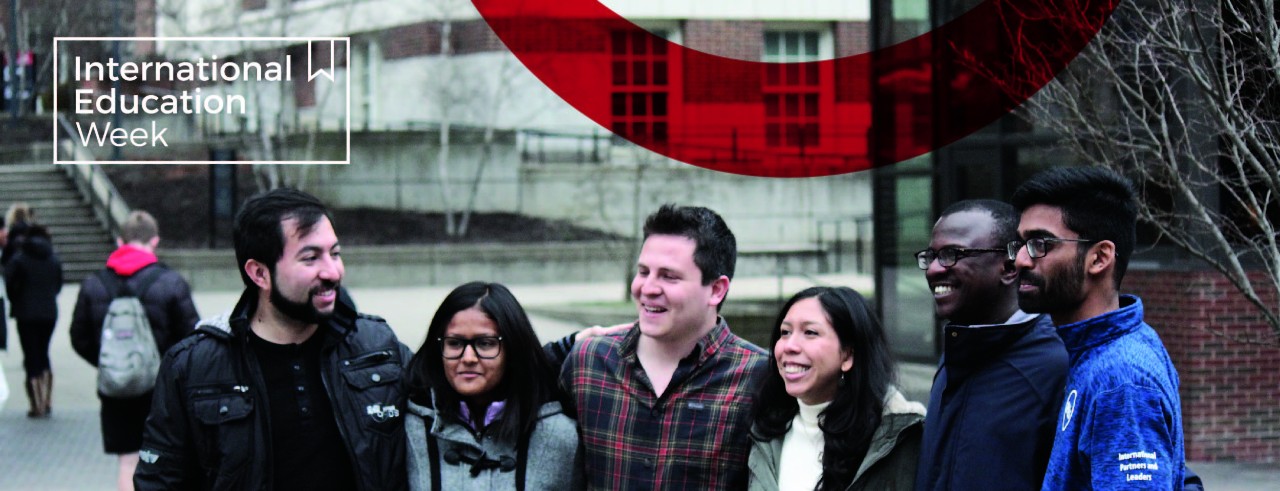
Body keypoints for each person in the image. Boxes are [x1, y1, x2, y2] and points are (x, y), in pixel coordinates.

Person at [135, 188, 412, 490]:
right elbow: (159, 483)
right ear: (259, 274)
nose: (333, 272)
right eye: (311, 258)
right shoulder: (192, 367)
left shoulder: (378, 346)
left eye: (335, 253)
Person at [559, 204, 769, 490]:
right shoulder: (588, 362)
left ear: (716, 289)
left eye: (669, 276)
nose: (648, 288)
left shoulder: (760, 377)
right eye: (644, 271)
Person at [1009, 167, 1185, 489]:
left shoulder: (1120, 381)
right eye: (1020, 244)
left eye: (1039, 244)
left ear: (1099, 258)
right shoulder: (1102, 349)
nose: (1020, 259)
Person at [914, 200, 1068, 491]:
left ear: (1009, 267)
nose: (933, 270)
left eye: (950, 254)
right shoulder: (958, 348)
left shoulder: (1056, 366)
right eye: (930, 256)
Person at [404, 281, 582, 490]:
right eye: (454, 343)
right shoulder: (409, 428)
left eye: (485, 343)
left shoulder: (559, 434)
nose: (468, 357)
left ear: (513, 348)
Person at [69, 210, 200, 491]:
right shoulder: (171, 282)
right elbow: (192, 336)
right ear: (154, 241)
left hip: (116, 388)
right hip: (161, 389)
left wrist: (111, 364)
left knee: (128, 462)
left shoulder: (94, 283)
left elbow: (79, 337)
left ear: (119, 241)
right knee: (165, 460)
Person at [748, 286, 925, 491]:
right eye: (785, 332)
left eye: (810, 332)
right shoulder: (765, 428)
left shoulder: (896, 438)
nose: (789, 346)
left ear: (848, 355)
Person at [4, 224, 63, 418]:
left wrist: (18, 301)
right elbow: (58, 284)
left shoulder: (20, 259)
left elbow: (10, 285)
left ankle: (36, 403)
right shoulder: (53, 258)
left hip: (26, 313)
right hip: (49, 312)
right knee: (44, 352)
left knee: (31, 355)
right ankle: (48, 399)